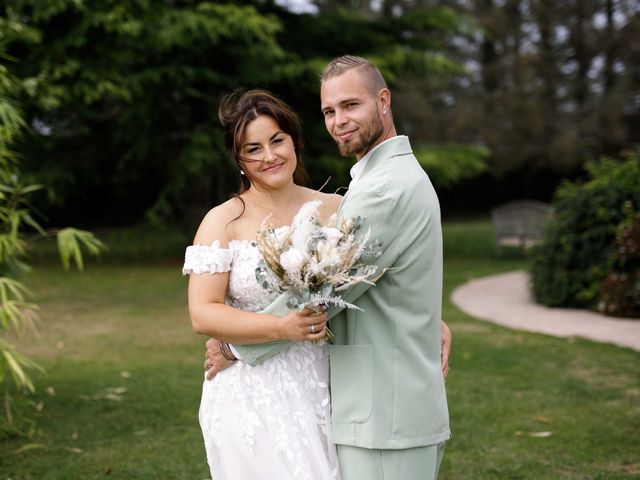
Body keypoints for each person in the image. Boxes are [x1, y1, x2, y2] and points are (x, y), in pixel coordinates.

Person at [204, 55, 452, 479]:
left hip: (384, 414)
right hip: (375, 406)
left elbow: (326, 292)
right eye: (329, 111)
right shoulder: (382, 178)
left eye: (351, 105)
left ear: (384, 101)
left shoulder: (382, 191)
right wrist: (432, 321)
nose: (339, 120)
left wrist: (233, 344)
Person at [183, 90, 343, 479]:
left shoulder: (335, 209)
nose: (269, 157)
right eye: (253, 149)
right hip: (251, 398)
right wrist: (280, 328)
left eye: (276, 141)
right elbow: (203, 313)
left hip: (326, 385)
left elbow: (373, 287)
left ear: (294, 141)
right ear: (239, 160)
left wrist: (431, 322)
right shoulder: (223, 221)